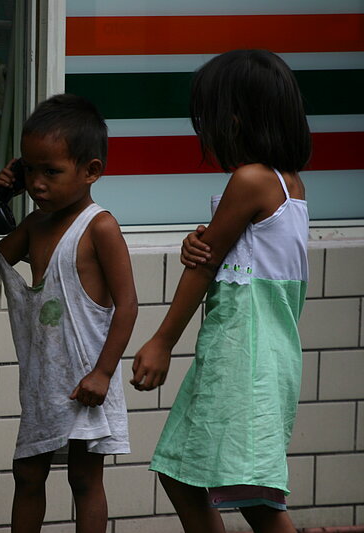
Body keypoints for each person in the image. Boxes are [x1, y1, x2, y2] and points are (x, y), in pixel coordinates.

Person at [130, 49, 311, 533]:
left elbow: (204, 267)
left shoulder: (251, 179)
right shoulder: (289, 185)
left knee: (252, 494)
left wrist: (161, 341)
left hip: (244, 359)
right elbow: (224, 251)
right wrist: (206, 241)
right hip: (257, 357)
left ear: (232, 121)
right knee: (181, 472)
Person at [0, 93, 137, 533]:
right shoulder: (33, 227)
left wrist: (103, 373)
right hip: (44, 381)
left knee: (84, 479)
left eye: (51, 171)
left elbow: (128, 305)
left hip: (86, 378)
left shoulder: (99, 226)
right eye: (28, 170)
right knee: (27, 474)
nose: (37, 183)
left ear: (91, 172)